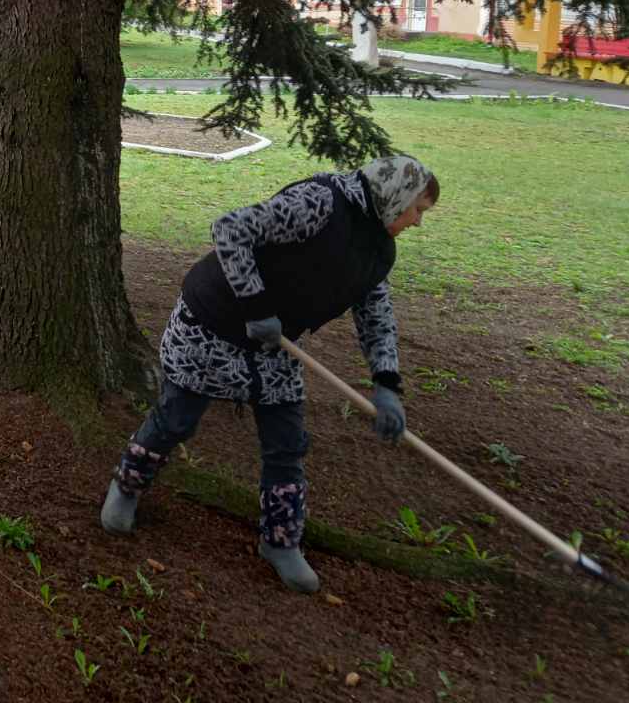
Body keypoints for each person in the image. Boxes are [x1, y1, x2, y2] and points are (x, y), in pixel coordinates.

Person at [100, 155, 439, 594]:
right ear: (396, 196)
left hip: (276, 347)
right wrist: (257, 306)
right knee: (176, 419)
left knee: (286, 443)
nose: (417, 222)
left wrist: (387, 384)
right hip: (212, 324)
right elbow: (230, 229)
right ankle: (127, 485)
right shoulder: (321, 203)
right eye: (417, 210)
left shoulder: (378, 252)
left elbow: (376, 316)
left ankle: (281, 541)